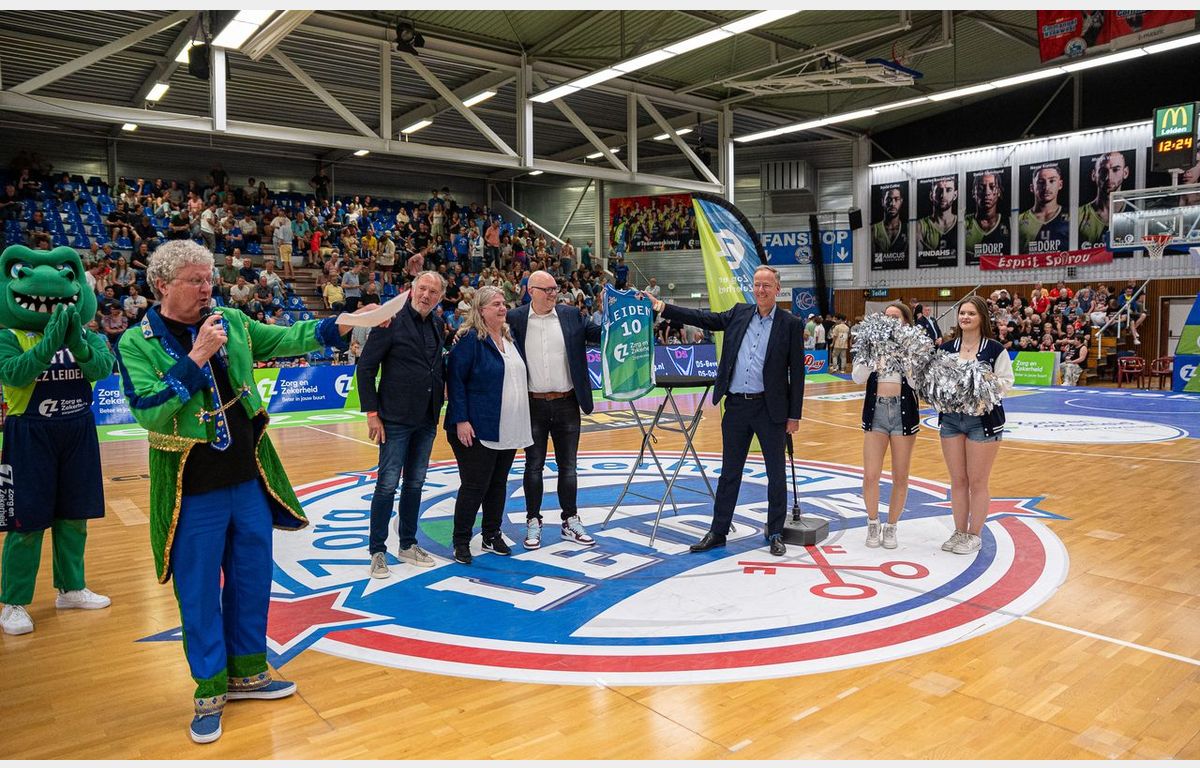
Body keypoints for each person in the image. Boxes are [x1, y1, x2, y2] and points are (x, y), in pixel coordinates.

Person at [116, 240, 376, 743]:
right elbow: (149, 412)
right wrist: (196, 356)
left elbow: (290, 337)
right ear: (163, 285)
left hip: (247, 480)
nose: (206, 288)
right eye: (195, 280)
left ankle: (249, 672)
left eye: (209, 278)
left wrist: (345, 321)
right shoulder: (136, 342)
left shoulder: (232, 321)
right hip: (192, 491)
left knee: (252, 580)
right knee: (198, 592)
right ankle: (209, 689)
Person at [647, 265, 805, 556]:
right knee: (729, 473)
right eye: (757, 284)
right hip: (736, 407)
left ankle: (775, 532)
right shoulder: (739, 313)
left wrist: (794, 415)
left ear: (777, 289)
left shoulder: (791, 323)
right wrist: (662, 306)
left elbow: (797, 372)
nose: (760, 290)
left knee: (776, 474)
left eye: (766, 285)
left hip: (770, 410)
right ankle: (718, 532)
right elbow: (702, 318)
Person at [0, 245, 115, 636]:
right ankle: (13, 602)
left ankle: (71, 587)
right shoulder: (9, 335)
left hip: (78, 428)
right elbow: (13, 374)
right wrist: (48, 345)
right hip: (29, 432)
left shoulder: (87, 336)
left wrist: (76, 344)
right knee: (26, 521)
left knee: (74, 516)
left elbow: (103, 368)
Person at [358, 271, 448, 578]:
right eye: (422, 288)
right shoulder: (390, 320)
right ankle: (377, 551)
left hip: (427, 417)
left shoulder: (438, 324)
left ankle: (408, 544)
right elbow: (366, 368)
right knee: (387, 485)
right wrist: (372, 413)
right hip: (394, 418)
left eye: (433, 292)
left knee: (415, 483)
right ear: (411, 290)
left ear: (439, 297)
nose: (426, 295)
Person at [507, 270, 603, 549]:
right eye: (547, 289)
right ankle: (533, 521)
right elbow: (488, 334)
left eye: (555, 289)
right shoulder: (515, 318)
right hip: (532, 404)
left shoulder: (571, 315)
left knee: (568, 466)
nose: (553, 293)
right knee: (533, 466)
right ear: (531, 291)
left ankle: (570, 520)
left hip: (567, 402)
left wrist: (629, 316)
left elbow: (602, 334)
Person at [445, 286, 532, 565]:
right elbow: (455, 380)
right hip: (475, 427)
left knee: (498, 483)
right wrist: (461, 419)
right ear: (481, 310)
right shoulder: (469, 339)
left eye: (503, 303)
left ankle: (491, 534)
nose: (502, 308)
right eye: (495, 304)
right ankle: (460, 540)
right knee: (475, 485)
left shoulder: (509, 337)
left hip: (507, 425)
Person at [936, 296, 1015, 556]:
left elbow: (1006, 383)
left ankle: (975, 535)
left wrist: (980, 384)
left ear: (981, 317)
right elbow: (937, 382)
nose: (965, 317)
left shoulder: (995, 349)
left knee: (978, 481)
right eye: (962, 313)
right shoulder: (947, 348)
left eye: (971, 313)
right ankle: (959, 531)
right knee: (958, 480)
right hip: (951, 420)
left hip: (983, 421)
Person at [852, 303, 920, 550]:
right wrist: (873, 354)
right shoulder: (870, 344)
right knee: (871, 474)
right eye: (886, 317)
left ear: (906, 322)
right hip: (876, 412)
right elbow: (857, 377)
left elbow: (916, 383)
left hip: (904, 414)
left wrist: (906, 355)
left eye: (896, 317)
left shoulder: (914, 346)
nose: (890, 321)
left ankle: (891, 526)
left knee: (900, 476)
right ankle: (873, 522)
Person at [1078, 151, 1130, 249]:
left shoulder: (1136, 213)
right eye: (1103, 171)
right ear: (1094, 175)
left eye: (1115, 170)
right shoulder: (1078, 216)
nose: (1108, 177)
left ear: (1125, 172)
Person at [1019, 163, 1070, 254]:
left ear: (1060, 184)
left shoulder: (1072, 217)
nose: (1046, 187)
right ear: (1032, 187)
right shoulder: (1018, 221)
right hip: (1031, 263)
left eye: (1052, 181)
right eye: (1041, 182)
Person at [965, 171, 1009, 261]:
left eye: (992, 187)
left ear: (999, 192)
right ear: (973, 192)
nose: (987, 192)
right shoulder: (963, 224)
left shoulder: (1010, 223)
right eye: (981, 187)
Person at [917, 177, 958, 251]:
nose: (943, 195)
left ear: (955, 195)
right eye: (939, 190)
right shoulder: (920, 226)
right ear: (931, 195)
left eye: (948, 190)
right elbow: (916, 256)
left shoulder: (963, 224)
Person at [871, 185, 907, 255]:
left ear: (901, 201)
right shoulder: (874, 229)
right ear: (882, 202)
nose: (892, 204)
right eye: (888, 199)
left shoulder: (908, 229)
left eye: (896, 199)